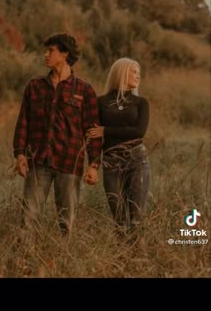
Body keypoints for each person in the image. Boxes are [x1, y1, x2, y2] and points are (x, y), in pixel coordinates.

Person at [13, 33, 102, 238]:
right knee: (28, 217)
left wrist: (94, 165)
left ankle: (64, 262)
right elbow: (23, 122)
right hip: (38, 161)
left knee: (67, 221)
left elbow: (92, 131)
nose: (46, 55)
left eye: (50, 50)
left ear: (64, 54)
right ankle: (24, 263)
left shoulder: (84, 90)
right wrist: (19, 155)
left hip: (70, 163)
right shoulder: (34, 87)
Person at [86, 58, 151, 238]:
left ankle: (140, 261)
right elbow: (93, 136)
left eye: (139, 73)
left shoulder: (141, 103)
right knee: (119, 219)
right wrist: (93, 165)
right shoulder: (100, 102)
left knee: (137, 218)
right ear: (121, 73)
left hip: (137, 160)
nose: (138, 76)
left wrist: (106, 130)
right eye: (134, 72)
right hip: (111, 162)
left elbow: (139, 132)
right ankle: (122, 261)